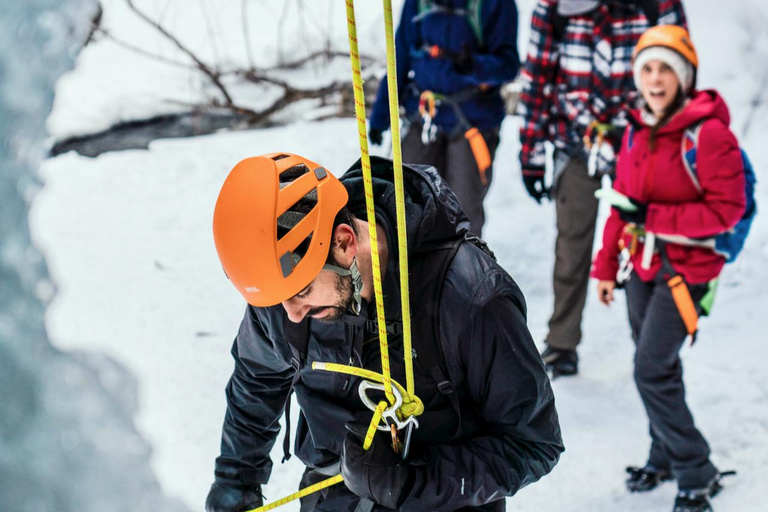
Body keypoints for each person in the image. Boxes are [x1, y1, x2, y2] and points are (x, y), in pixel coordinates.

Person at [206, 153, 563, 512]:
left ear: (344, 243)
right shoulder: (284, 281)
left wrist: (412, 484)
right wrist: (235, 477)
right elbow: (258, 378)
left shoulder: (470, 296)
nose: (292, 314)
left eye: (303, 293)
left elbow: (533, 443)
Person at [592, 25, 745, 512]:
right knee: (655, 365)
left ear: (684, 76)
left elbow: (728, 210)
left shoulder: (709, 134)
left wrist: (654, 218)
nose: (655, 79)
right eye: (647, 69)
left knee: (651, 369)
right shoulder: (636, 128)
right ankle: (662, 455)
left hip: (687, 271)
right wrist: (604, 267)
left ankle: (697, 470)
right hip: (641, 265)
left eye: (666, 69)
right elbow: (622, 205)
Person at [517, 0, 687, 377]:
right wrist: (531, 153)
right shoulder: (555, 6)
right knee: (571, 246)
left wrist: (676, 140)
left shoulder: (659, 4)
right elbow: (537, 76)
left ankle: (651, 348)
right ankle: (562, 344)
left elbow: (680, 69)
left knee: (646, 241)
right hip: (576, 140)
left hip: (642, 140)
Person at [368, 0, 519, 238]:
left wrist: (474, 66)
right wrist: (380, 115)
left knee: (462, 212)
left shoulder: (495, 4)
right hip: (423, 116)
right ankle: (414, 261)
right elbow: (400, 57)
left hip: (473, 121)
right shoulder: (417, 2)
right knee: (408, 202)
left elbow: (509, 65)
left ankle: (463, 261)